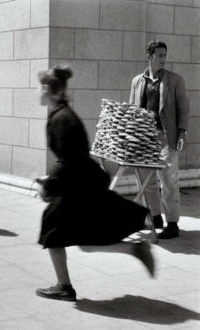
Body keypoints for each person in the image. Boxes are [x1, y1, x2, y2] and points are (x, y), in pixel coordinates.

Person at [35, 65, 155, 302]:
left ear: (49, 90)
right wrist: (52, 180)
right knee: (84, 241)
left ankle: (64, 287)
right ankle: (134, 249)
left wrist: (48, 186)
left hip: (78, 187)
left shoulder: (61, 118)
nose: (38, 92)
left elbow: (69, 160)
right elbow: (71, 159)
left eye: (40, 87)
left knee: (53, 231)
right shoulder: (62, 114)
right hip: (81, 184)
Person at [129, 40, 190, 239]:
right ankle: (155, 217)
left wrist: (182, 133)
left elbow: (184, 109)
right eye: (159, 55)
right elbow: (132, 109)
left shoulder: (175, 80)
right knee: (146, 180)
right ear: (149, 56)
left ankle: (172, 224)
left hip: (166, 136)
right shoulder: (137, 81)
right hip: (143, 137)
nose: (163, 59)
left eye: (165, 55)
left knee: (169, 179)